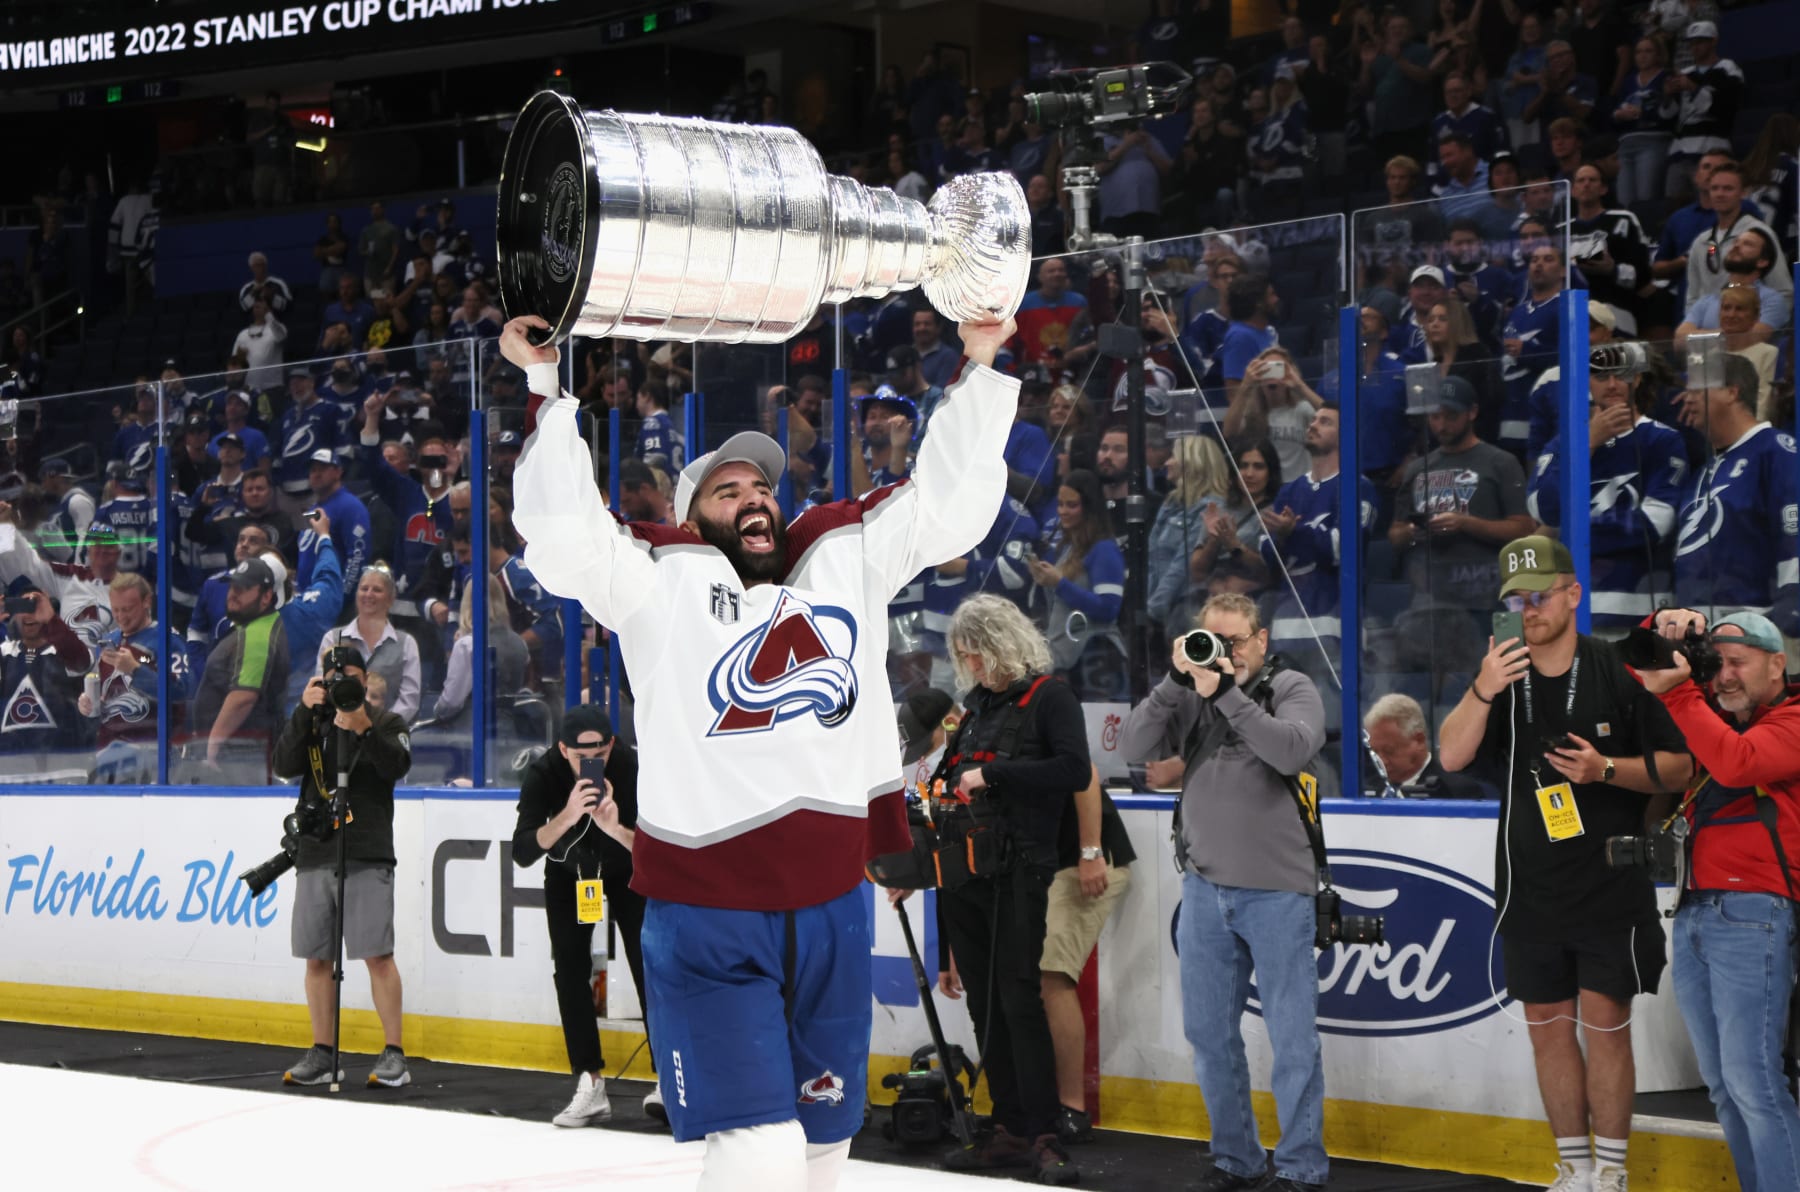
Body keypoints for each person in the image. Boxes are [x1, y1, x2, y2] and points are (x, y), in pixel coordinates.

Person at [509, 307, 1018, 1192]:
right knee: (758, 1150)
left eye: (760, 489)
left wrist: (978, 366)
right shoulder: (656, 584)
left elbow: (946, 507)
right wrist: (548, 391)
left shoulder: (839, 563)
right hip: (708, 912)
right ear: (690, 516)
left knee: (825, 1148)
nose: (753, 500)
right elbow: (565, 538)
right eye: (726, 492)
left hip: (829, 904)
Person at [1438, 537, 1692, 1192]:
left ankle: (1610, 1172)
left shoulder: (1615, 669)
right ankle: (1573, 1167)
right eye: (1515, 599)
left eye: (1539, 595)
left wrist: (1606, 769)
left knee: (1606, 1030)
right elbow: (1453, 756)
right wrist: (1482, 686)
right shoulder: (1502, 676)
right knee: (1547, 1033)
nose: (1527, 610)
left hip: (1610, 885)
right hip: (1532, 893)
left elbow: (1681, 767)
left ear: (1573, 595)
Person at [1117, 593, 1329, 1192]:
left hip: (1279, 894)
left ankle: (1301, 1169)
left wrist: (1226, 694)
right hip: (1206, 890)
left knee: (1292, 1041)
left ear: (1261, 640)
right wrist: (1172, 679)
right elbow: (1132, 749)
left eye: (1235, 642)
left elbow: (1291, 749)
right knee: (1209, 1036)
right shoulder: (1188, 691)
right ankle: (1236, 1159)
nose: (1225, 653)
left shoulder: (1291, 687)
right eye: (1212, 640)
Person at [1634, 608, 1800, 1192]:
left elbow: (1738, 764)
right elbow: (1634, 661)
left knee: (1754, 1080)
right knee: (1724, 1085)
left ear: (1777, 664)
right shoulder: (1716, 715)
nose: (1724, 676)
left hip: (1756, 911)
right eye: (1718, 663)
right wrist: (1667, 625)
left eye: (1738, 663)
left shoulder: (1794, 719)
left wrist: (1682, 695)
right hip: (1697, 907)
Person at [929, 595, 1086, 1183]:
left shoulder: (1051, 697)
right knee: (983, 1003)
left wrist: (992, 773)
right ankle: (1009, 1126)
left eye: (973, 655)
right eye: (964, 658)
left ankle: (1043, 1130)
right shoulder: (971, 710)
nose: (969, 667)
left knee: (1020, 999)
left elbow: (1074, 770)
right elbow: (943, 783)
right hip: (966, 873)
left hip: (1021, 870)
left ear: (997, 648)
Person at [511, 704, 658, 1128]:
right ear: (562, 748)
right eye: (581, 753)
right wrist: (569, 815)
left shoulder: (632, 766)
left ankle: (669, 1075)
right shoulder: (545, 772)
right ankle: (589, 1082)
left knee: (651, 967)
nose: (592, 759)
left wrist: (613, 826)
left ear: (613, 743)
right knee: (570, 971)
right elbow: (523, 850)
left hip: (628, 871)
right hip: (570, 874)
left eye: (601, 749)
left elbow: (656, 851)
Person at [274, 643, 413, 1089]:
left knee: (377, 954)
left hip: (367, 851)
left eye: (350, 677)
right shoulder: (312, 726)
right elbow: (282, 765)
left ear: (366, 678)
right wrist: (302, 713)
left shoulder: (387, 722)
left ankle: (394, 1053)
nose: (341, 686)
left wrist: (363, 728)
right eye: (333, 679)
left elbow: (397, 765)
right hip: (316, 852)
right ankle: (323, 1052)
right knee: (317, 958)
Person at [1527, 352, 1686, 634]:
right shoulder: (1563, 444)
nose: (1611, 384)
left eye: (1620, 375)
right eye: (1600, 376)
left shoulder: (1663, 440)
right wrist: (1587, 444)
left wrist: (1566, 535)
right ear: (1587, 382)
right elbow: (1544, 509)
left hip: (1640, 612)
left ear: (1636, 379)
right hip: (1573, 609)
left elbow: (1653, 525)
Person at [1389, 376, 1535, 673]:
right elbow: (1395, 533)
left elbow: (1524, 528)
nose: (1441, 425)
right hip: (1432, 600)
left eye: (1451, 416)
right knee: (1436, 690)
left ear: (1472, 412)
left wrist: (1466, 524)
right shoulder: (1418, 468)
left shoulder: (1500, 462)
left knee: (1503, 683)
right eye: (1435, 417)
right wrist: (1413, 532)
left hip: (1489, 600)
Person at [1670, 353, 1797, 632]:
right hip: (1699, 630)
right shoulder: (1705, 469)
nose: (1687, 399)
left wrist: (1792, 610)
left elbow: (1793, 531)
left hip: (1758, 630)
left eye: (1696, 390)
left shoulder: (1775, 450)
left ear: (1731, 391)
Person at [190, 557, 292, 783]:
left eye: (244, 588)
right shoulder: (254, 627)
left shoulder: (257, 635)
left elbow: (243, 697)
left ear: (266, 596)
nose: (233, 593)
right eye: (233, 586)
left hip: (240, 757)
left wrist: (213, 745)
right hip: (241, 754)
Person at [1028, 469, 1126, 701]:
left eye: (1071, 505)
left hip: (1096, 661)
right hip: (1065, 662)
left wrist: (1059, 583)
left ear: (1089, 507)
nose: (1063, 511)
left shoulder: (1104, 549)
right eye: (1060, 504)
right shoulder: (1067, 549)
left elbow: (1109, 608)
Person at [315, 564, 422, 725]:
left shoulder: (407, 643)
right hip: (338, 731)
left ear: (391, 599)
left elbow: (409, 700)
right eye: (364, 589)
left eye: (377, 590)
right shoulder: (333, 638)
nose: (369, 594)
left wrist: (378, 726)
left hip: (385, 735)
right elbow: (321, 688)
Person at [1361, 693, 1487, 798]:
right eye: (1375, 752)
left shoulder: (1457, 792)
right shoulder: (1363, 789)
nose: (1382, 761)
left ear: (1419, 740)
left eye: (1389, 751)